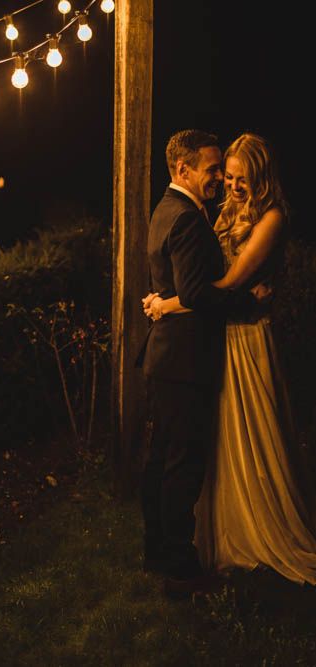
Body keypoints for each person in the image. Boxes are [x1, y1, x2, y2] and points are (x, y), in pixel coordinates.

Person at [144, 133, 316, 586]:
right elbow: (202, 280)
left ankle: (258, 529)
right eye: (228, 175)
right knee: (213, 446)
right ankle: (211, 538)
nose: (232, 184)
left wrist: (167, 303)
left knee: (251, 438)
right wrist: (174, 297)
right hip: (219, 339)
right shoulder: (220, 213)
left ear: (262, 176)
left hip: (248, 340)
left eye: (242, 177)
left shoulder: (272, 218)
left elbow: (230, 285)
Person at [136, 129, 263, 599]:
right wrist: (246, 301)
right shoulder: (188, 219)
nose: (217, 177)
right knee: (182, 466)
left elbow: (176, 288)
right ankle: (183, 572)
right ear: (183, 169)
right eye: (211, 169)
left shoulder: (166, 208)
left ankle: (156, 553)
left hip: (166, 355)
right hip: (185, 359)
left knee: (161, 460)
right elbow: (194, 293)